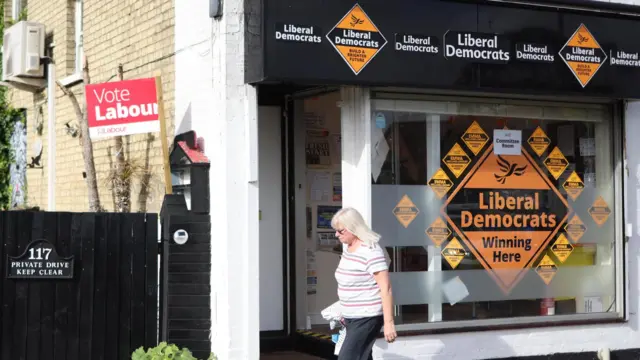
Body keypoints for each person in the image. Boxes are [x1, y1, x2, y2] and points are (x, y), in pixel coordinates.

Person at [331, 207, 397, 360]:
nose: (336, 235)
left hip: (367, 316)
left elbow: (385, 288)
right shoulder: (348, 248)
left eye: (340, 231)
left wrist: (389, 323)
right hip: (351, 317)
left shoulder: (371, 251)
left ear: (353, 229)